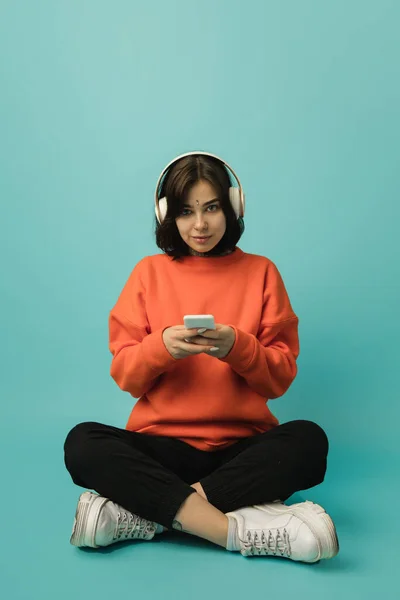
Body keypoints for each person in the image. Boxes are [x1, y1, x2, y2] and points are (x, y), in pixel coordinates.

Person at [64, 151, 339, 562]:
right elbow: (126, 377)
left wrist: (238, 348)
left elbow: (278, 382)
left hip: (239, 451)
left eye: (211, 208)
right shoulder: (147, 273)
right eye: (185, 211)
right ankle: (233, 531)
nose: (200, 224)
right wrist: (161, 349)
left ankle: (148, 516)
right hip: (162, 449)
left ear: (233, 207)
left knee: (309, 442)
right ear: (166, 216)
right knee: (82, 443)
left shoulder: (262, 272)